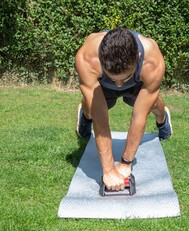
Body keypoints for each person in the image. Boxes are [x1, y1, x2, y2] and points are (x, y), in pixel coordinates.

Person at [74, 28, 172, 192]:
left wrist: (126, 162)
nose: (119, 85)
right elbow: (101, 118)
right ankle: (84, 116)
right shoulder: (86, 58)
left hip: (137, 84)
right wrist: (108, 170)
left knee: (153, 105)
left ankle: (162, 120)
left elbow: (138, 117)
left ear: (138, 57)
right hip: (103, 86)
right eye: (114, 78)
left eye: (123, 78)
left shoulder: (153, 62)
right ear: (100, 59)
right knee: (92, 109)